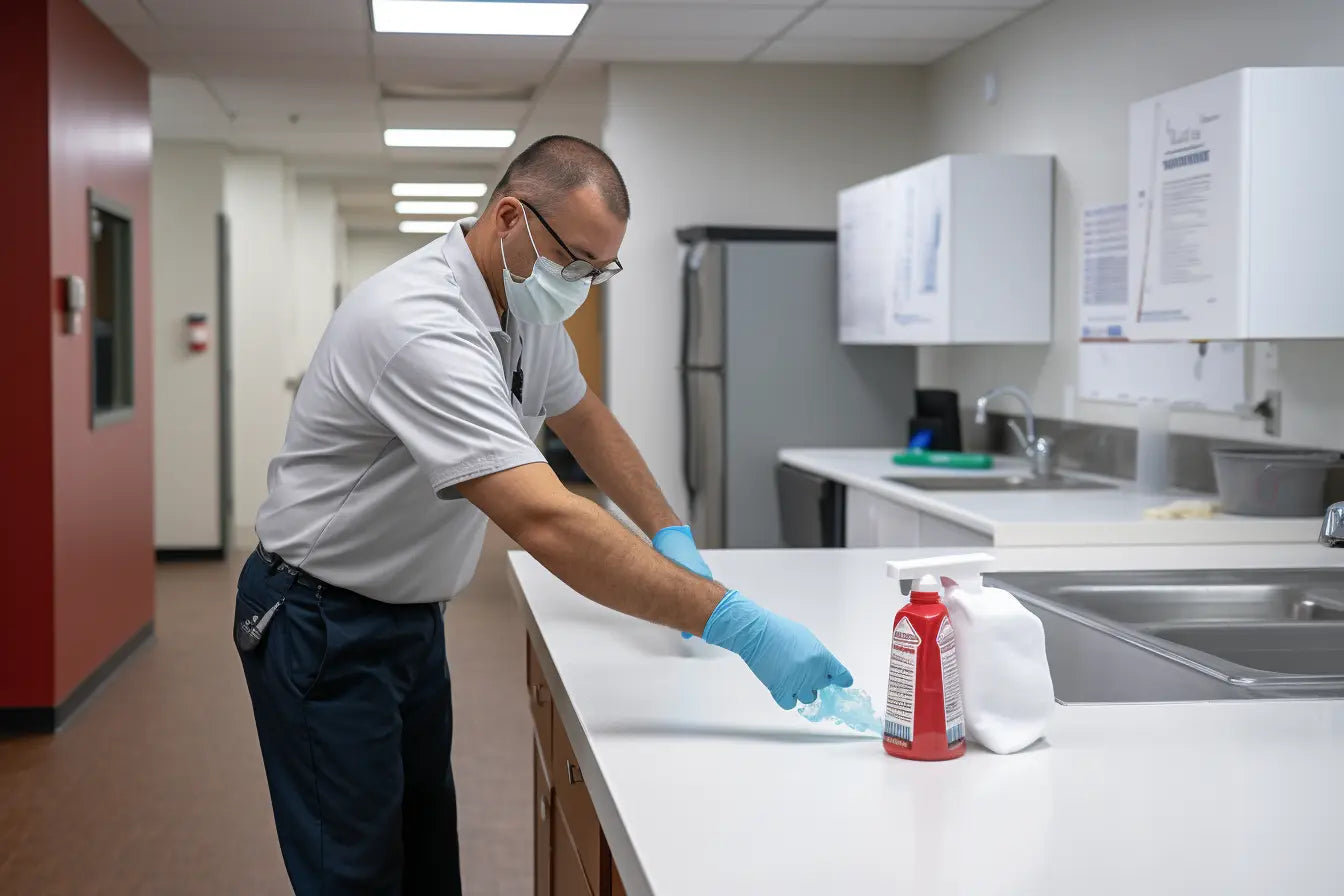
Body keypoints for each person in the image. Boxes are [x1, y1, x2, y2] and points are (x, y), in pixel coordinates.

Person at [233, 135, 851, 895]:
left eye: (600, 269)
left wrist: (669, 531)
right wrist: (737, 624)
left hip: (407, 617)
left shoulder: (519, 309)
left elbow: (584, 418)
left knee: (425, 853)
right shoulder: (418, 324)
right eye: (576, 261)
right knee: (354, 872)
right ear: (509, 218)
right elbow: (545, 519)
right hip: (318, 620)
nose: (583, 282)